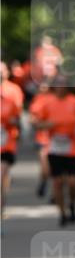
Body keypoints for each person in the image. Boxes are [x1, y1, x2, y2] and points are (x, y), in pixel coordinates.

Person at [30, 77, 75, 226]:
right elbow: (35, 122)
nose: (61, 88)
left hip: (73, 147)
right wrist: (46, 124)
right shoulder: (47, 102)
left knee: (73, 183)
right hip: (55, 147)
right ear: (54, 87)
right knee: (57, 182)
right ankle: (62, 213)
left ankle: (73, 205)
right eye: (58, 85)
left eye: (64, 85)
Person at [1, 61, 24, 217]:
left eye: (2, 70)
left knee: (1, 176)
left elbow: (17, 116)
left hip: (6, 141)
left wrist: (11, 121)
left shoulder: (13, 90)